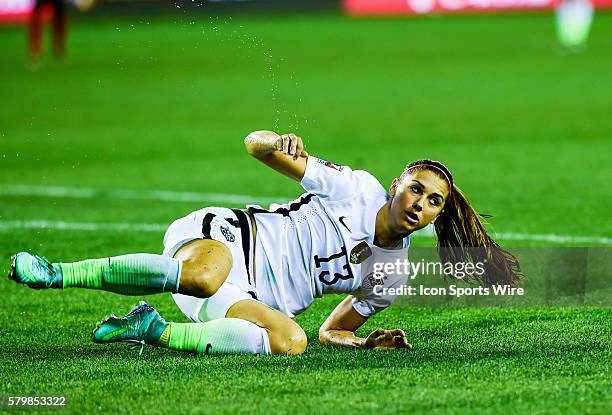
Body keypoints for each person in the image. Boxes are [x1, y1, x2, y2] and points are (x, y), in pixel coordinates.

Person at [8, 131, 522, 356]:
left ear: (436, 216)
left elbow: (328, 332)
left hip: (240, 305)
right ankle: (56, 273)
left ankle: (153, 330)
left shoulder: (391, 275)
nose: (420, 203)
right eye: (415, 188)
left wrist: (363, 341)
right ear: (394, 185)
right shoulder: (354, 188)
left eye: (433, 201)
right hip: (225, 240)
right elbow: (254, 146)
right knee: (206, 274)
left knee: (291, 342)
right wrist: (276, 142)